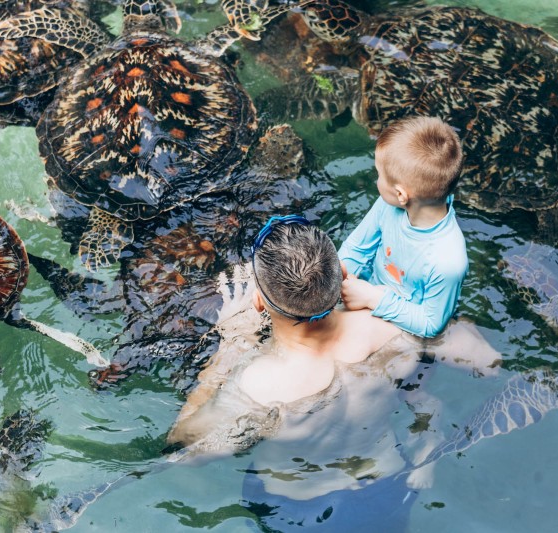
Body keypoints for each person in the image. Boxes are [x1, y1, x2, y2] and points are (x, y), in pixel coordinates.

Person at [165, 216, 499, 530]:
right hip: (388, 489)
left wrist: (230, 343)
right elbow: (488, 363)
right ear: (341, 273)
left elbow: (183, 451)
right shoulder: (397, 327)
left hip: (296, 513)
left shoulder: (259, 385)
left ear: (258, 303)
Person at [339, 115, 468, 338]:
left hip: (407, 325)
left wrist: (373, 299)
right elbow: (357, 249)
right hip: (372, 291)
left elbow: (431, 324)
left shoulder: (448, 261)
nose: (376, 181)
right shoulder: (388, 205)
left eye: (379, 175)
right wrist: (336, 278)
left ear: (401, 194)